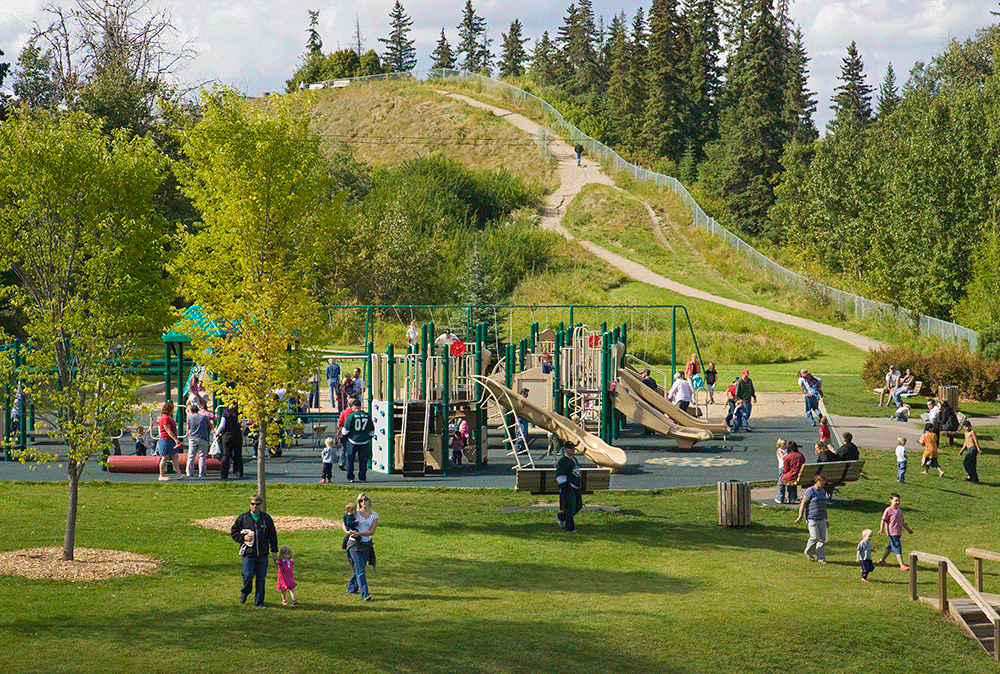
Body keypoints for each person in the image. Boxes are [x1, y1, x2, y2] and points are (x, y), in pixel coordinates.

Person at [231, 493, 279, 608]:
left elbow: (272, 536)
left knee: (261, 579)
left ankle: (259, 602)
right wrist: (243, 538)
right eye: (253, 504)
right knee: (248, 575)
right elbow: (234, 533)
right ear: (250, 504)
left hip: (262, 554)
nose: (255, 506)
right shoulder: (243, 518)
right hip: (248, 554)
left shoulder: (266, 519)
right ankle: (245, 591)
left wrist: (274, 552)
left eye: (257, 504)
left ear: (261, 505)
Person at [343, 492, 378, 601]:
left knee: (359, 568)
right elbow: (344, 523)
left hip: (366, 544)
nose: (364, 502)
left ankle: (351, 588)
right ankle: (365, 594)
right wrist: (348, 532)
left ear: (369, 501)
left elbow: (372, 532)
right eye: (361, 501)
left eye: (365, 499)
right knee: (361, 569)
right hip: (354, 543)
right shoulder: (355, 512)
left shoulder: (374, 515)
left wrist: (360, 534)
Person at [795, 474, 829, 563]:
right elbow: (803, 504)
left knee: (822, 539)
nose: (823, 484)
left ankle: (821, 558)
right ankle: (808, 552)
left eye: (824, 482)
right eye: (821, 482)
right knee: (815, 537)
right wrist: (800, 516)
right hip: (812, 518)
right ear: (817, 481)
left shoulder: (823, 491)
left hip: (821, 518)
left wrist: (826, 519)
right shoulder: (810, 491)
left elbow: (824, 506)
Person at [877, 493, 913, 571]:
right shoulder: (888, 510)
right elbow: (883, 520)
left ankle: (882, 560)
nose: (897, 502)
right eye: (896, 501)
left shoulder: (899, 510)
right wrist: (881, 529)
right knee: (897, 548)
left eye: (899, 501)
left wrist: (908, 529)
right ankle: (902, 565)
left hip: (898, 533)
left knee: (890, 546)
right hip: (892, 533)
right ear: (891, 500)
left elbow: (903, 522)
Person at [343, 399, 374, 483]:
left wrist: (346, 438)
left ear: (354, 406)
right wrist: (367, 437)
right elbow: (372, 431)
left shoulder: (351, 416)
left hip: (353, 441)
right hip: (364, 441)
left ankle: (350, 477)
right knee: (363, 461)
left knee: (350, 459)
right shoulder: (367, 415)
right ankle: (362, 477)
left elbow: (345, 431)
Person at [556, 441, 583, 533]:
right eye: (571, 448)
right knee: (570, 508)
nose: (573, 450)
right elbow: (560, 477)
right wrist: (565, 486)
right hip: (568, 487)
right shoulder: (563, 461)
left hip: (576, 487)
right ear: (566, 449)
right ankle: (570, 528)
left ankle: (561, 517)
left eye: (573, 448)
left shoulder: (574, 459)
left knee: (578, 506)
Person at [185, 403, 213, 478]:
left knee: (191, 456)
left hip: (193, 438)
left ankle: (189, 472)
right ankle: (202, 473)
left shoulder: (190, 418)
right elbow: (210, 425)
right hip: (203, 438)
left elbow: (188, 427)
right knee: (202, 456)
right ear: (198, 410)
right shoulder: (204, 417)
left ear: (191, 411)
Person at [217, 404, 244, 480]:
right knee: (238, 454)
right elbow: (244, 424)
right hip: (237, 435)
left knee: (226, 455)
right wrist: (241, 431)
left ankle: (224, 473)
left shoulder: (225, 414)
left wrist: (217, 432)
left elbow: (222, 425)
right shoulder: (240, 414)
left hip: (227, 436)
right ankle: (238, 471)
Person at [156, 401, 181, 481]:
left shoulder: (168, 417)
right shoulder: (165, 418)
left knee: (175, 457)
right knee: (165, 457)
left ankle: (179, 474)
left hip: (170, 440)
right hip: (166, 440)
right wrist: (175, 439)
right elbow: (167, 429)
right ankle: (161, 475)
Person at [336, 398, 355, 471]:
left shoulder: (344, 412)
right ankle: (349, 463)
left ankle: (341, 462)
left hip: (344, 430)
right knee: (351, 449)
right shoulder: (354, 413)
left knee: (343, 448)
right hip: (353, 432)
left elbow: (340, 423)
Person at [515, 388, 530, 455]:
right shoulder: (521, 400)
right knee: (522, 433)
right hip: (521, 417)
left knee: (523, 433)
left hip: (523, 417)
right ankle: (517, 448)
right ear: (523, 393)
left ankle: (522, 448)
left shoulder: (521, 400)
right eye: (526, 394)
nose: (527, 395)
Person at [774, 438, 788, 504]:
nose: (785, 446)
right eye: (784, 445)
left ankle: (787, 496)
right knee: (781, 481)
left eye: (786, 444)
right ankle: (780, 497)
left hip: (787, 467)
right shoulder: (779, 451)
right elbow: (783, 457)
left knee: (787, 482)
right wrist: (789, 454)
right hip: (782, 467)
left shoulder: (786, 450)